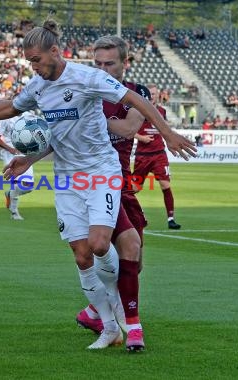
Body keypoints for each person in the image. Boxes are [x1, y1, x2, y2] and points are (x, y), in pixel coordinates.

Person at [0, 19, 196, 350]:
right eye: (28, 61)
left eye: (36, 59)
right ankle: (109, 327)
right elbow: (11, 106)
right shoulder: (38, 85)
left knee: (99, 244)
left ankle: (120, 303)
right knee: (82, 256)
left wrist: (168, 132)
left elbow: (138, 101)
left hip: (101, 172)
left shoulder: (87, 77)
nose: (32, 66)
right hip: (67, 177)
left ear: (55, 51)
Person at [75, 35, 151, 349]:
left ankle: (94, 312)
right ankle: (130, 327)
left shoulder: (137, 92)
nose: (103, 69)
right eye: (98, 64)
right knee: (127, 248)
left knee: (135, 261)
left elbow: (129, 128)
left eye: (110, 63)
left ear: (125, 63)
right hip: (95, 181)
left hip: (123, 184)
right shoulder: (83, 90)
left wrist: (92, 119)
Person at [133, 83, 181, 230]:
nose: (152, 96)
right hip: (142, 156)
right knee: (133, 189)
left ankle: (171, 219)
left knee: (165, 185)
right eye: (150, 93)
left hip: (159, 154)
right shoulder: (136, 111)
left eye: (154, 94)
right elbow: (128, 131)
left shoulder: (161, 111)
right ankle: (136, 214)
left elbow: (165, 129)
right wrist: (141, 138)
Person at [0, 111, 35, 220]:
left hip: (26, 153)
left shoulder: (29, 115)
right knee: (16, 182)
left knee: (28, 186)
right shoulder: (5, 117)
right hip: (11, 154)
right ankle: (14, 213)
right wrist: (10, 149)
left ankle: (10, 194)